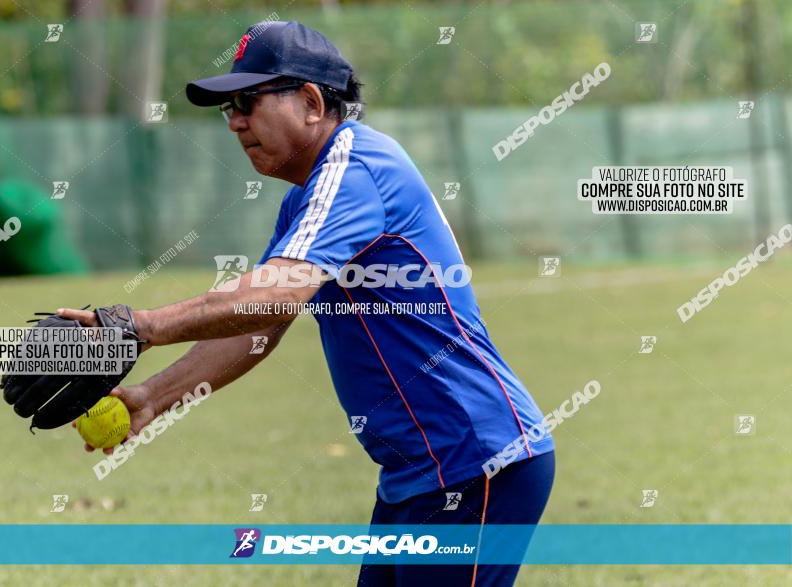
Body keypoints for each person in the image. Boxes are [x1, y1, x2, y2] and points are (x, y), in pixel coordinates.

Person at [59, 20, 555, 586]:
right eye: (227, 109)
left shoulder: (357, 167)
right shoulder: (309, 194)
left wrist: (139, 326)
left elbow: (275, 296)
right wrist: (154, 395)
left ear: (312, 102)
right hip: (420, 473)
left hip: (475, 461)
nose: (235, 121)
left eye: (247, 101)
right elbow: (261, 325)